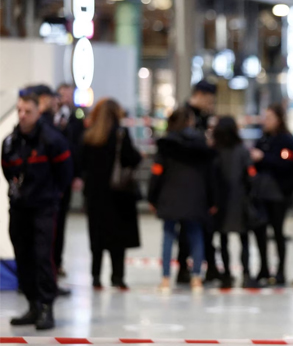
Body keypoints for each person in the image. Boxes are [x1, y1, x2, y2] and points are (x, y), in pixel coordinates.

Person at [2, 91, 73, 330]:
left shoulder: (52, 140)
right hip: (19, 207)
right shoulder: (11, 142)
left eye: (27, 111)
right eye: (19, 111)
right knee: (23, 256)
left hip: (44, 207)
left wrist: (52, 195)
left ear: (37, 112)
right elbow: (8, 171)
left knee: (43, 257)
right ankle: (33, 305)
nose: (22, 116)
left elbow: (65, 173)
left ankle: (46, 307)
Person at [148, 107, 216, 293]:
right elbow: (209, 174)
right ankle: (196, 278)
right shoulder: (201, 144)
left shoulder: (166, 144)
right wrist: (212, 200)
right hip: (196, 196)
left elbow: (157, 173)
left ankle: (165, 279)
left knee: (169, 236)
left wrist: (152, 197)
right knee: (195, 236)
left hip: (169, 195)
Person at [82, 99, 142, 291]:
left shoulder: (89, 136)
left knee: (97, 238)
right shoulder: (120, 135)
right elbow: (132, 158)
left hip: (94, 195)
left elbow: (80, 163)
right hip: (118, 195)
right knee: (118, 238)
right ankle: (118, 277)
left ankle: (96, 277)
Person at [250, 105, 293, 286]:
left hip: (278, 194)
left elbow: (287, 165)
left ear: (279, 119)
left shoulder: (287, 141)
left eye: (270, 117)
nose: (266, 121)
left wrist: (263, 157)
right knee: (260, 231)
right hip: (260, 194)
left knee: (278, 232)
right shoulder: (262, 139)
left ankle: (280, 271)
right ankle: (263, 268)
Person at [176, 80, 218, 284]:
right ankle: (183, 267)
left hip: (205, 180)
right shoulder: (184, 115)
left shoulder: (206, 116)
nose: (211, 104)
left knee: (207, 226)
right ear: (200, 95)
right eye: (209, 99)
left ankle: (209, 267)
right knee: (186, 227)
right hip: (187, 180)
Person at [212, 116, 258, 289]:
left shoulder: (215, 151)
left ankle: (226, 275)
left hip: (221, 202)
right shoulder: (242, 150)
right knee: (243, 238)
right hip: (240, 201)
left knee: (223, 240)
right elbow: (250, 176)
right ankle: (246, 273)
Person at [52, 83, 85, 278]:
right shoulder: (48, 120)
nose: (65, 97)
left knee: (61, 220)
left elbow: (78, 148)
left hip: (66, 173)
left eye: (68, 94)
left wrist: (78, 174)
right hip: (50, 177)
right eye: (62, 94)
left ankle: (57, 262)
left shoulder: (77, 117)